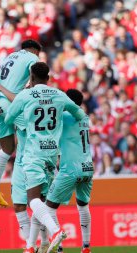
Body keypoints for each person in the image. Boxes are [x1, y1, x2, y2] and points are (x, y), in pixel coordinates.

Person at [4, 63, 87, 253]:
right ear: (48, 78)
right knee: (43, 201)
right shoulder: (59, 95)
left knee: (32, 199)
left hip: (33, 154)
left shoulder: (25, 95)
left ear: (31, 78)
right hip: (52, 155)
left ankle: (55, 232)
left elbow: (8, 118)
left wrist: (24, 117)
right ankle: (31, 247)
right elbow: (79, 114)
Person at [0, 39, 42, 207]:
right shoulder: (33, 57)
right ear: (34, 50)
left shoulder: (9, 57)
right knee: (34, 129)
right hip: (8, 103)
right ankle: (30, 178)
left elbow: (2, 81)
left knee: (7, 148)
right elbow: (36, 76)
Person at [45, 89, 93, 253]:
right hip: (87, 168)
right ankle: (86, 247)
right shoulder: (85, 117)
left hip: (70, 169)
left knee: (48, 207)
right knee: (83, 206)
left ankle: (59, 249)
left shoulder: (64, 117)